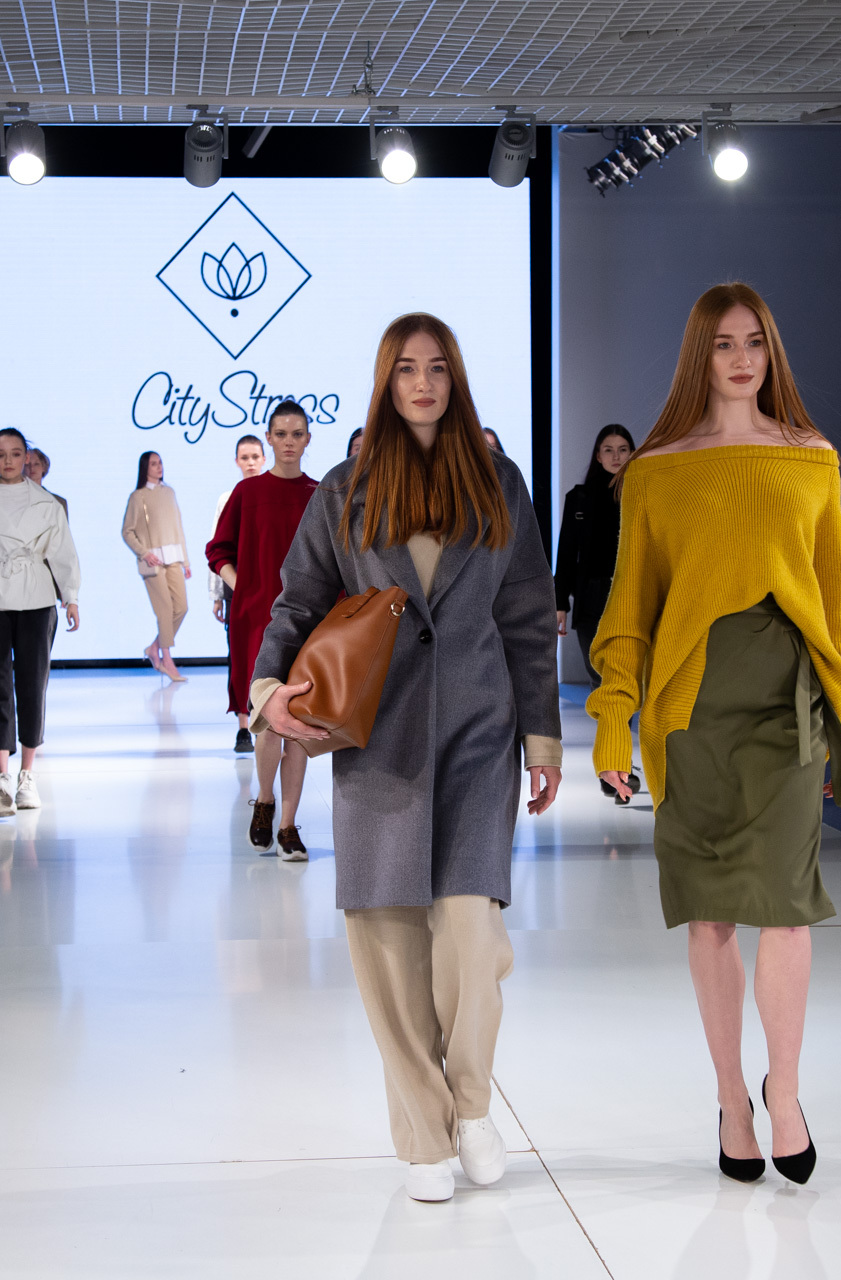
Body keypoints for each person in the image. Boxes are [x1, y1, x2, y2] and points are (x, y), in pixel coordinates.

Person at [251, 313, 561, 1203]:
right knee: (387, 941)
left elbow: (527, 617)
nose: (423, 384)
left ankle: (471, 1103)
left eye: (437, 368)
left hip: (478, 731)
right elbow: (299, 600)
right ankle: (425, 1133)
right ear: (385, 384)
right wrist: (269, 686)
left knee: (472, 932)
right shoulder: (344, 490)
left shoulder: (499, 484)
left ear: (456, 380)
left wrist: (542, 736)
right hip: (377, 736)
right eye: (406, 370)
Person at [590, 282, 841, 1188]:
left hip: (788, 705)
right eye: (723, 344)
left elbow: (835, 596)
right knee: (711, 914)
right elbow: (631, 606)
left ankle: (786, 1092)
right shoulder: (658, 470)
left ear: (771, 352)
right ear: (697, 356)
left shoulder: (813, 459)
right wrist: (614, 718)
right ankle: (731, 1099)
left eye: (755, 342)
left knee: (786, 905)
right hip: (695, 712)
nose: (742, 359)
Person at [206, 404, 320, 856]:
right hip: (259, 620)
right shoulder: (247, 492)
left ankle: (288, 826)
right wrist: (246, 588)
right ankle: (265, 800)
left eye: (297, 433)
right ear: (268, 438)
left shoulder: (320, 494)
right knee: (268, 723)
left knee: (299, 724)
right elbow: (218, 550)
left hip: (311, 624)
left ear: (308, 439)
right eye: (281, 433)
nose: (289, 441)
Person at [0, 428, 81, 817]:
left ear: (26, 457)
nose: (9, 461)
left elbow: (62, 551)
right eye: (1, 454)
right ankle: (1, 776)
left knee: (32, 683)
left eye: (16, 454)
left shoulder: (47, 503)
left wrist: (71, 597)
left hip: (36, 595)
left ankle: (27, 775)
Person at [554, 424, 641, 800]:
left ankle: (618, 763)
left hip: (632, 596)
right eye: (608, 449)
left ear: (632, 453)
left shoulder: (642, 492)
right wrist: (560, 602)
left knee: (624, 683)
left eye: (623, 449)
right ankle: (616, 764)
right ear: (597, 454)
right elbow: (566, 552)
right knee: (601, 681)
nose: (616, 456)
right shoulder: (580, 498)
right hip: (591, 600)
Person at [211, 433, 269, 752]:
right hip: (238, 590)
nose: (250, 463)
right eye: (244, 458)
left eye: (255, 457)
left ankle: (266, 723)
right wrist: (217, 595)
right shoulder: (229, 498)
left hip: (270, 590)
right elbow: (218, 548)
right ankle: (243, 727)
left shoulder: (271, 494)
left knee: (268, 657)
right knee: (239, 657)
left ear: (264, 459)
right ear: (236, 461)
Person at [122, 451, 192, 681]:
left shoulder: (169, 492)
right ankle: (166, 659)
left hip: (174, 558)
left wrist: (186, 561)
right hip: (152, 562)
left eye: (160, 462)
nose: (159, 467)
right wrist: (144, 553)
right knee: (164, 610)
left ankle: (154, 647)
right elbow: (127, 531)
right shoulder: (138, 497)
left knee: (181, 607)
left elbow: (178, 527)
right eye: (153, 464)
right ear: (145, 467)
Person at [25, 447, 68, 512]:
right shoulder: (14, 498)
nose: (32, 468)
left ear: (43, 467)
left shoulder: (58, 502)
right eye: (27, 465)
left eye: (36, 464)